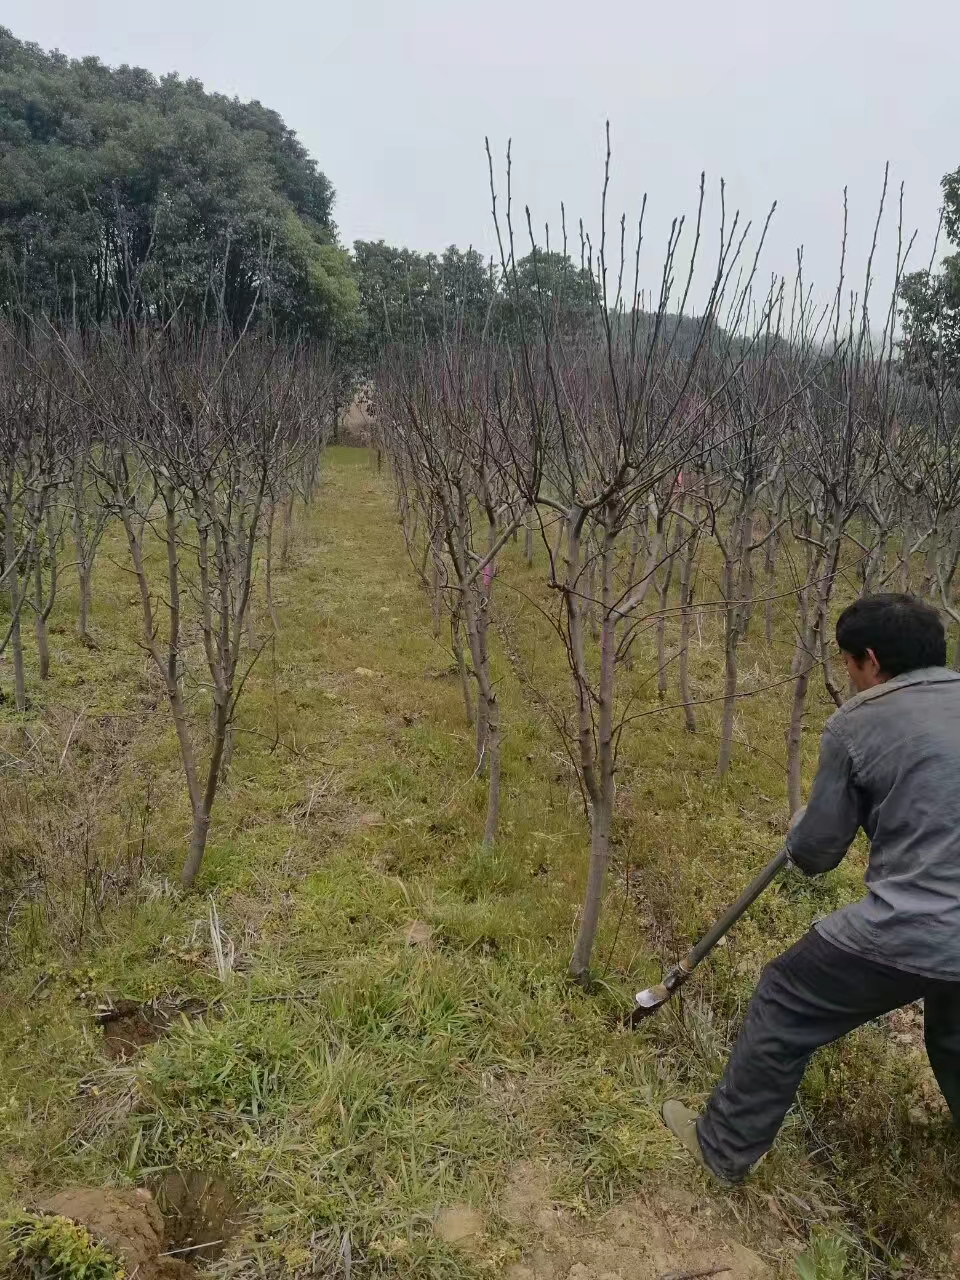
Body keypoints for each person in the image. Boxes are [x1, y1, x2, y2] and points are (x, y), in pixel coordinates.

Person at [662, 593, 960, 1184]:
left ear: (870, 661)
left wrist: (805, 822)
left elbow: (818, 854)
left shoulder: (859, 722)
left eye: (848, 663)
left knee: (784, 998)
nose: (848, 677)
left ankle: (721, 1148)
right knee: (955, 1027)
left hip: (921, 925)